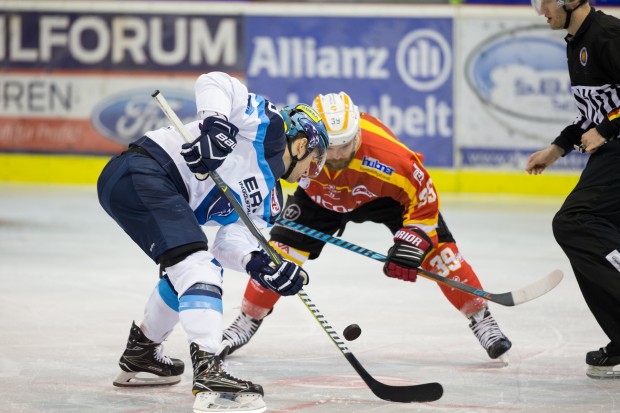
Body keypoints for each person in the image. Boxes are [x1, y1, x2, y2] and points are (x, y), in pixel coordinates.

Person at [96, 71, 330, 412]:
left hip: (151, 186)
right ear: (300, 144)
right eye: (315, 157)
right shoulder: (271, 128)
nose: (314, 170)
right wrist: (217, 126)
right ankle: (208, 369)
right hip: (144, 171)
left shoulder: (269, 200)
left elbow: (229, 242)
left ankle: (143, 351)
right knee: (197, 266)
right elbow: (216, 82)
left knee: (194, 269)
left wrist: (258, 264)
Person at [222, 91, 512, 363]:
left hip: (383, 199)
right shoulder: (296, 145)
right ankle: (247, 319)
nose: (336, 156)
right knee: (279, 256)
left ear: (358, 135)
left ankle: (482, 318)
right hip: (317, 201)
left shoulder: (392, 158)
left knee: (438, 253)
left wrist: (414, 242)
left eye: (345, 146)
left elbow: (425, 199)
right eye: (330, 146)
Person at [526, 0, 620, 379]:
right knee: (588, 236)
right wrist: (557, 148)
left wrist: (609, 129)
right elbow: (595, 111)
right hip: (611, 150)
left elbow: (607, 120)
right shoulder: (575, 40)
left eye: (543, 1)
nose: (539, 9)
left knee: (575, 222)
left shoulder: (607, 34)